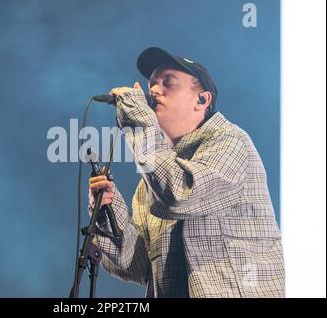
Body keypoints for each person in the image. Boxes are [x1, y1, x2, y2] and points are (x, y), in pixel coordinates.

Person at [88, 47, 285, 298]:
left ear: (202, 100)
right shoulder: (152, 182)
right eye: (151, 86)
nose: (154, 91)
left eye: (167, 83)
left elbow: (180, 193)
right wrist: (107, 210)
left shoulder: (231, 142)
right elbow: (135, 266)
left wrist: (137, 119)